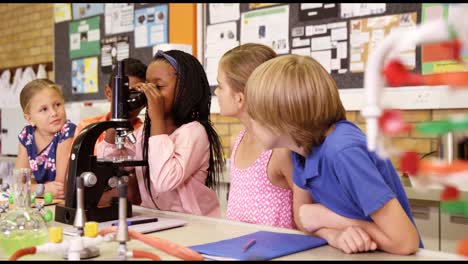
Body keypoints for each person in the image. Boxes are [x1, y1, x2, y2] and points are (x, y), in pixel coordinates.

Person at [244, 54, 422, 255]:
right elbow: (303, 218)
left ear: (284, 117)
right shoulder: (301, 149)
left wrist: (331, 219)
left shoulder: (344, 152)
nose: (249, 121)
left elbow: (405, 242)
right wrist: (333, 235)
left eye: (255, 113)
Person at [97, 50, 225, 217]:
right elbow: (109, 161)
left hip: (195, 224)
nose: (150, 92)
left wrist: (156, 119)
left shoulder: (194, 132)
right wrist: (118, 113)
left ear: (185, 90)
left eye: (157, 87)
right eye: (147, 86)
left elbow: (164, 180)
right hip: (160, 220)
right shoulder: (145, 133)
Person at [215, 43, 295, 229]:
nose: (216, 92)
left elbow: (307, 211)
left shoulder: (282, 150)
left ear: (239, 98)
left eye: (220, 86)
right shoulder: (236, 141)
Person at [15, 79, 76, 199]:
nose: (54, 113)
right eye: (44, 109)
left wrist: (32, 188)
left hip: (64, 203)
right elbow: (17, 185)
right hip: (45, 202)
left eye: (57, 104)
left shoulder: (67, 132)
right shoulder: (27, 135)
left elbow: (61, 189)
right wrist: (44, 189)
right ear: (29, 119)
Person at [74, 58, 147, 150]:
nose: (129, 101)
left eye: (135, 95)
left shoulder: (144, 133)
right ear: (109, 92)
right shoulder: (86, 128)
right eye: (124, 93)